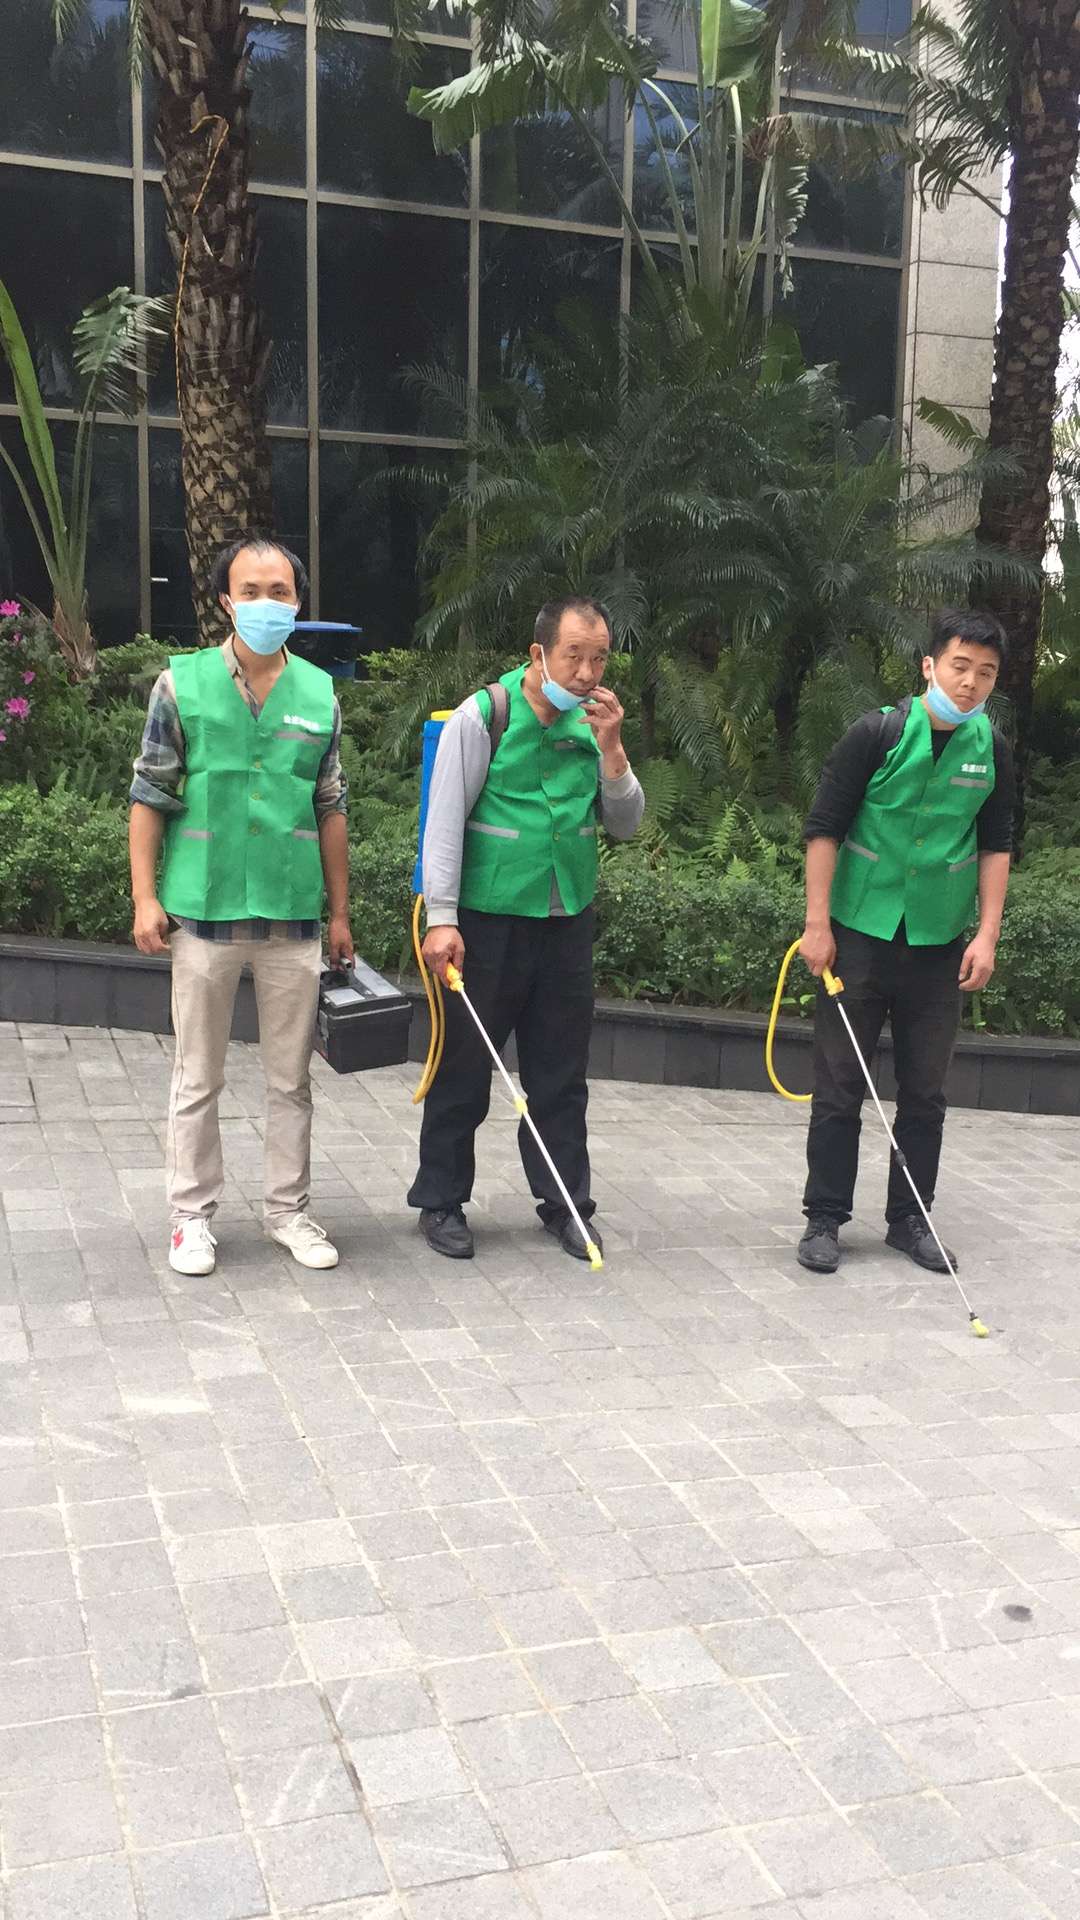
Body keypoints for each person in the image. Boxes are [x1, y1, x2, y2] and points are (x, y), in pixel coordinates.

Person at [129, 536, 353, 1278]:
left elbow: (330, 806)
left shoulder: (319, 693)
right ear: (226, 601)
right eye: (250, 591)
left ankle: (288, 1212)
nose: (265, 603)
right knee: (198, 1076)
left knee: (292, 1080)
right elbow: (149, 795)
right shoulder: (181, 685)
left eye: (279, 591)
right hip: (204, 911)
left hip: (292, 916)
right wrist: (145, 897)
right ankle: (190, 1219)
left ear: (299, 600)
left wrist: (340, 915)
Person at [408, 596, 644, 1260]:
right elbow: (443, 823)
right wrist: (442, 919)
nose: (587, 673)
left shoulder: (593, 726)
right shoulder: (484, 714)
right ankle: (441, 1200)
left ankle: (566, 1203)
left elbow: (626, 823)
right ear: (539, 653)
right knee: (463, 1063)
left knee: (561, 1072)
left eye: (599, 658)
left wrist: (613, 750)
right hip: (485, 921)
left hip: (566, 920)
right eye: (574, 656)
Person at [796, 609, 1015, 1275]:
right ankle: (824, 1218)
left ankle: (910, 1219)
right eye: (960, 666)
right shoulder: (877, 733)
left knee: (925, 1092)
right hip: (859, 933)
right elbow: (824, 827)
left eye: (986, 673)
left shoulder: (993, 749)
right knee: (841, 1084)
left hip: (939, 941)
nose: (971, 682)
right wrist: (817, 924)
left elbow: (997, 843)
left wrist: (987, 934)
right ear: (929, 665)